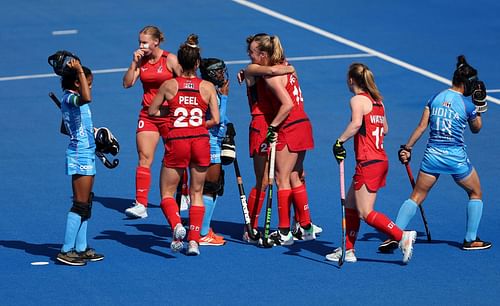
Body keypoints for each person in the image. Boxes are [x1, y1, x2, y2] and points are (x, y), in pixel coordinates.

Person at [378, 55, 491, 252]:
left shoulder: (435, 98)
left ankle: (394, 234)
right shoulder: (467, 105)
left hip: (432, 156)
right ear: (466, 83)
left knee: (416, 196)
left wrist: (407, 147)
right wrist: (480, 107)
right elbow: (476, 128)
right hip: (456, 158)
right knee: (475, 192)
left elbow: (422, 127)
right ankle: (470, 239)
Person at [326, 63, 416, 264]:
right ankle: (348, 249)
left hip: (368, 162)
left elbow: (357, 123)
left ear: (351, 80)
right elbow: (385, 129)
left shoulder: (357, 100)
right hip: (379, 160)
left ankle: (402, 236)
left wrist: (340, 141)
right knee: (350, 204)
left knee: (365, 212)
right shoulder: (378, 102)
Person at [149, 34, 220, 256]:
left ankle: (177, 225)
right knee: (197, 192)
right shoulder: (207, 87)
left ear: (179, 62)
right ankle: (194, 242)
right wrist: (199, 122)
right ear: (198, 63)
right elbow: (216, 120)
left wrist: (171, 114)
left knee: (168, 193)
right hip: (200, 141)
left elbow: (152, 111)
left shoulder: (169, 85)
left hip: (177, 140)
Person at [244, 33, 317, 246]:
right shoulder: (270, 67)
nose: (248, 56)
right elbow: (273, 69)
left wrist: (273, 127)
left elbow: (285, 102)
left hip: (275, 125)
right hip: (295, 124)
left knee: (275, 178)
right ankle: (304, 226)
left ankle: (277, 230)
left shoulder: (269, 75)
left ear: (264, 54)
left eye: (252, 52)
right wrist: (289, 67)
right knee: (293, 176)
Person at [123, 25, 182, 218]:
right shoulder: (141, 61)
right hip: (148, 116)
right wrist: (134, 63)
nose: (141, 45)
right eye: (139, 42)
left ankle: (185, 194)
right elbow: (127, 83)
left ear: (156, 42)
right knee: (144, 158)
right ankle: (141, 204)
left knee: (176, 158)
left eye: (144, 42)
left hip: (170, 117)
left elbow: (185, 83)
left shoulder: (170, 60)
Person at [56, 58, 104, 266]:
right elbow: (87, 98)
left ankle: (81, 248)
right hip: (80, 155)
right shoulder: (70, 99)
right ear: (77, 82)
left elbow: (64, 128)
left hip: (87, 151)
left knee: (86, 203)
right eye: (87, 81)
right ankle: (66, 250)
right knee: (80, 204)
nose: (89, 86)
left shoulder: (70, 99)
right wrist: (81, 72)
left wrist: (95, 137)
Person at [197, 58, 231, 246]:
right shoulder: (211, 90)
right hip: (210, 144)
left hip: (212, 142)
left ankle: (204, 227)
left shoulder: (207, 88)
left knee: (214, 187)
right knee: (209, 188)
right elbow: (218, 118)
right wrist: (224, 96)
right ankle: (202, 233)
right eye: (217, 72)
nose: (221, 75)